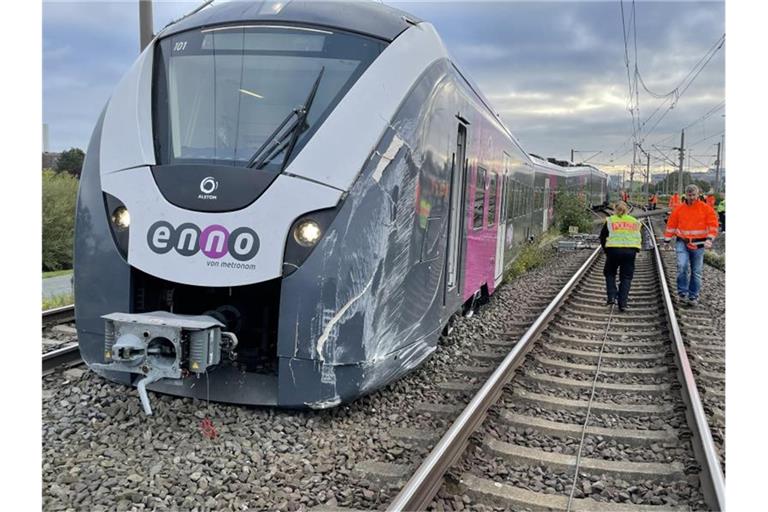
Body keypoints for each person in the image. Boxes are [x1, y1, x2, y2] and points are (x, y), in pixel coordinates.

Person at [663, 184, 719, 307]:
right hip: (682, 242)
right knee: (681, 266)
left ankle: (693, 296)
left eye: (694, 195)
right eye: (689, 195)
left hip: (699, 244)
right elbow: (671, 225)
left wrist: (709, 239)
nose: (692, 197)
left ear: (698, 194)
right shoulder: (679, 209)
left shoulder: (706, 209)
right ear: (685, 195)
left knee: (696, 271)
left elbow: (713, 225)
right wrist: (666, 240)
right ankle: (682, 293)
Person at [600, 201, 642, 312]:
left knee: (609, 272)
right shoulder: (634, 221)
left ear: (615, 209)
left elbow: (602, 237)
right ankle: (623, 303)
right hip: (630, 252)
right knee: (626, 277)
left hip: (613, 251)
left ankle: (612, 296)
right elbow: (638, 237)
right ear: (627, 210)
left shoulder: (610, 220)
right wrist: (635, 250)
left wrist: (606, 250)